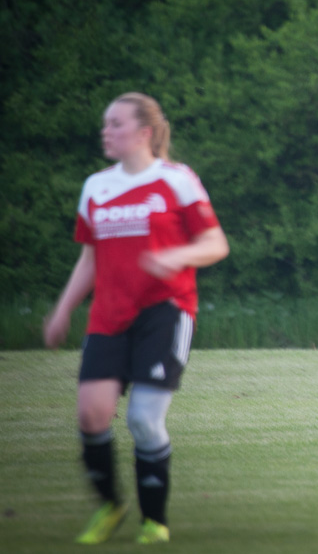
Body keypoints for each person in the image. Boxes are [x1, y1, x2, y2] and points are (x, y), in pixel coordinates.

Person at [43, 92, 229, 545]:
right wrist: (63, 310)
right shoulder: (96, 187)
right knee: (91, 416)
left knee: (143, 420)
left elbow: (215, 243)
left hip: (166, 312)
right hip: (109, 316)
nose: (106, 131)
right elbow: (90, 259)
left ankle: (153, 520)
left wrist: (176, 256)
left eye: (116, 124)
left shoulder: (177, 180)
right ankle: (110, 506)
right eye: (105, 124)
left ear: (144, 132)